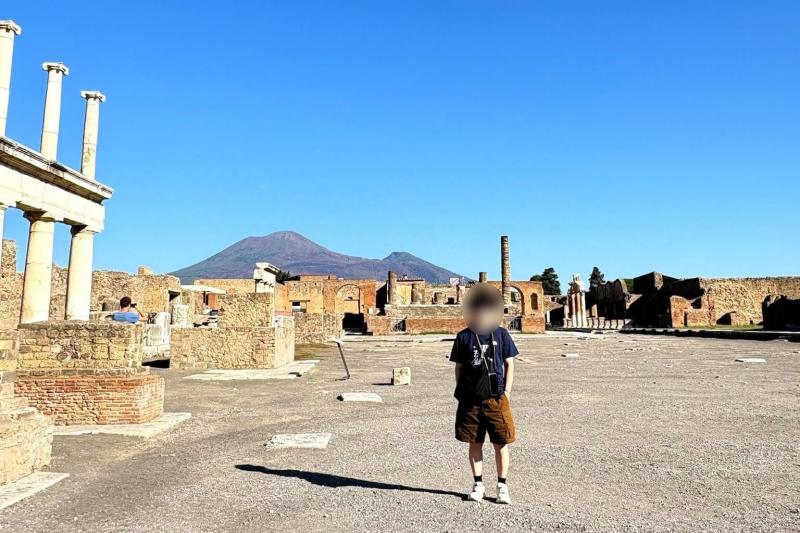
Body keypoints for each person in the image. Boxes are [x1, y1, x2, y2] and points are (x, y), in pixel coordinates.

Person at [450, 284, 518, 504]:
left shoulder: (502, 334)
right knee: (474, 443)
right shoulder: (463, 337)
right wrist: (463, 391)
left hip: (496, 398)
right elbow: (459, 367)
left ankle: (502, 485)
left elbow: (510, 364)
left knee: (501, 443)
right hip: (471, 400)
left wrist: (506, 392)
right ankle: (478, 484)